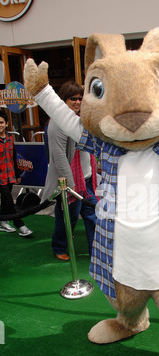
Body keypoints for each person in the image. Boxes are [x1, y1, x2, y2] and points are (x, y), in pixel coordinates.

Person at [41, 81, 98, 261]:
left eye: (81, 98)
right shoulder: (57, 122)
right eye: (73, 98)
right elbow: (58, 157)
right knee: (68, 217)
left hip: (86, 178)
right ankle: (58, 246)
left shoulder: (81, 118)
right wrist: (70, 187)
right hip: (70, 183)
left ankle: (95, 251)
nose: (78, 102)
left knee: (93, 215)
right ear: (63, 99)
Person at [0, 110, 33, 237]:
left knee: (5, 201)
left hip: (9, 176)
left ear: (7, 124)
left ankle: (3, 221)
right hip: (0, 178)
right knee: (9, 200)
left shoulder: (9, 139)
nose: (0, 125)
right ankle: (20, 225)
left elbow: (13, 158)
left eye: (2, 122)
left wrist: (18, 175)